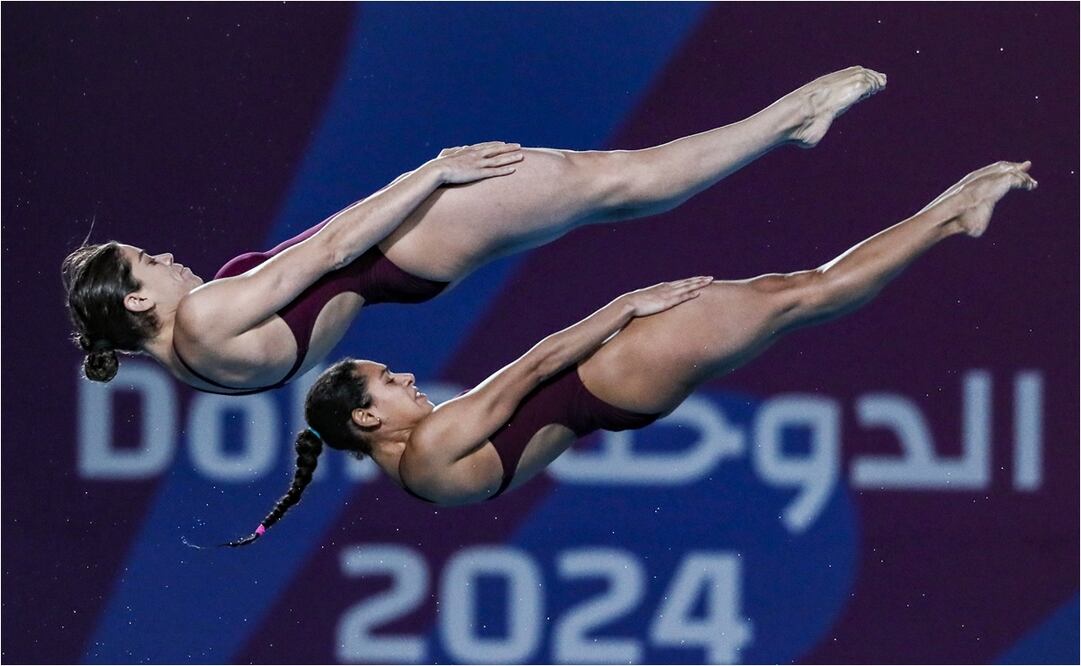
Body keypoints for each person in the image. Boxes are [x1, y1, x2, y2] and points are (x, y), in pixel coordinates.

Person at [218, 160, 1036, 546]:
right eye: (387, 381)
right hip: (607, 377)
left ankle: (946, 215)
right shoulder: (428, 447)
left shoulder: (415, 471)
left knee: (793, 299)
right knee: (796, 296)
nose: (403, 377)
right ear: (367, 418)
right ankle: (949, 212)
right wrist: (624, 307)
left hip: (612, 395)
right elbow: (535, 368)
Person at [63, 67, 885, 394]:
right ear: (137, 298)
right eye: (149, 260)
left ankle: (781, 126)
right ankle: (789, 119)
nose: (169, 257)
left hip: (403, 270)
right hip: (398, 247)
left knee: (611, 194)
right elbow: (325, 252)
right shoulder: (204, 317)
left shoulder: (190, 367)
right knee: (614, 179)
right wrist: (431, 173)